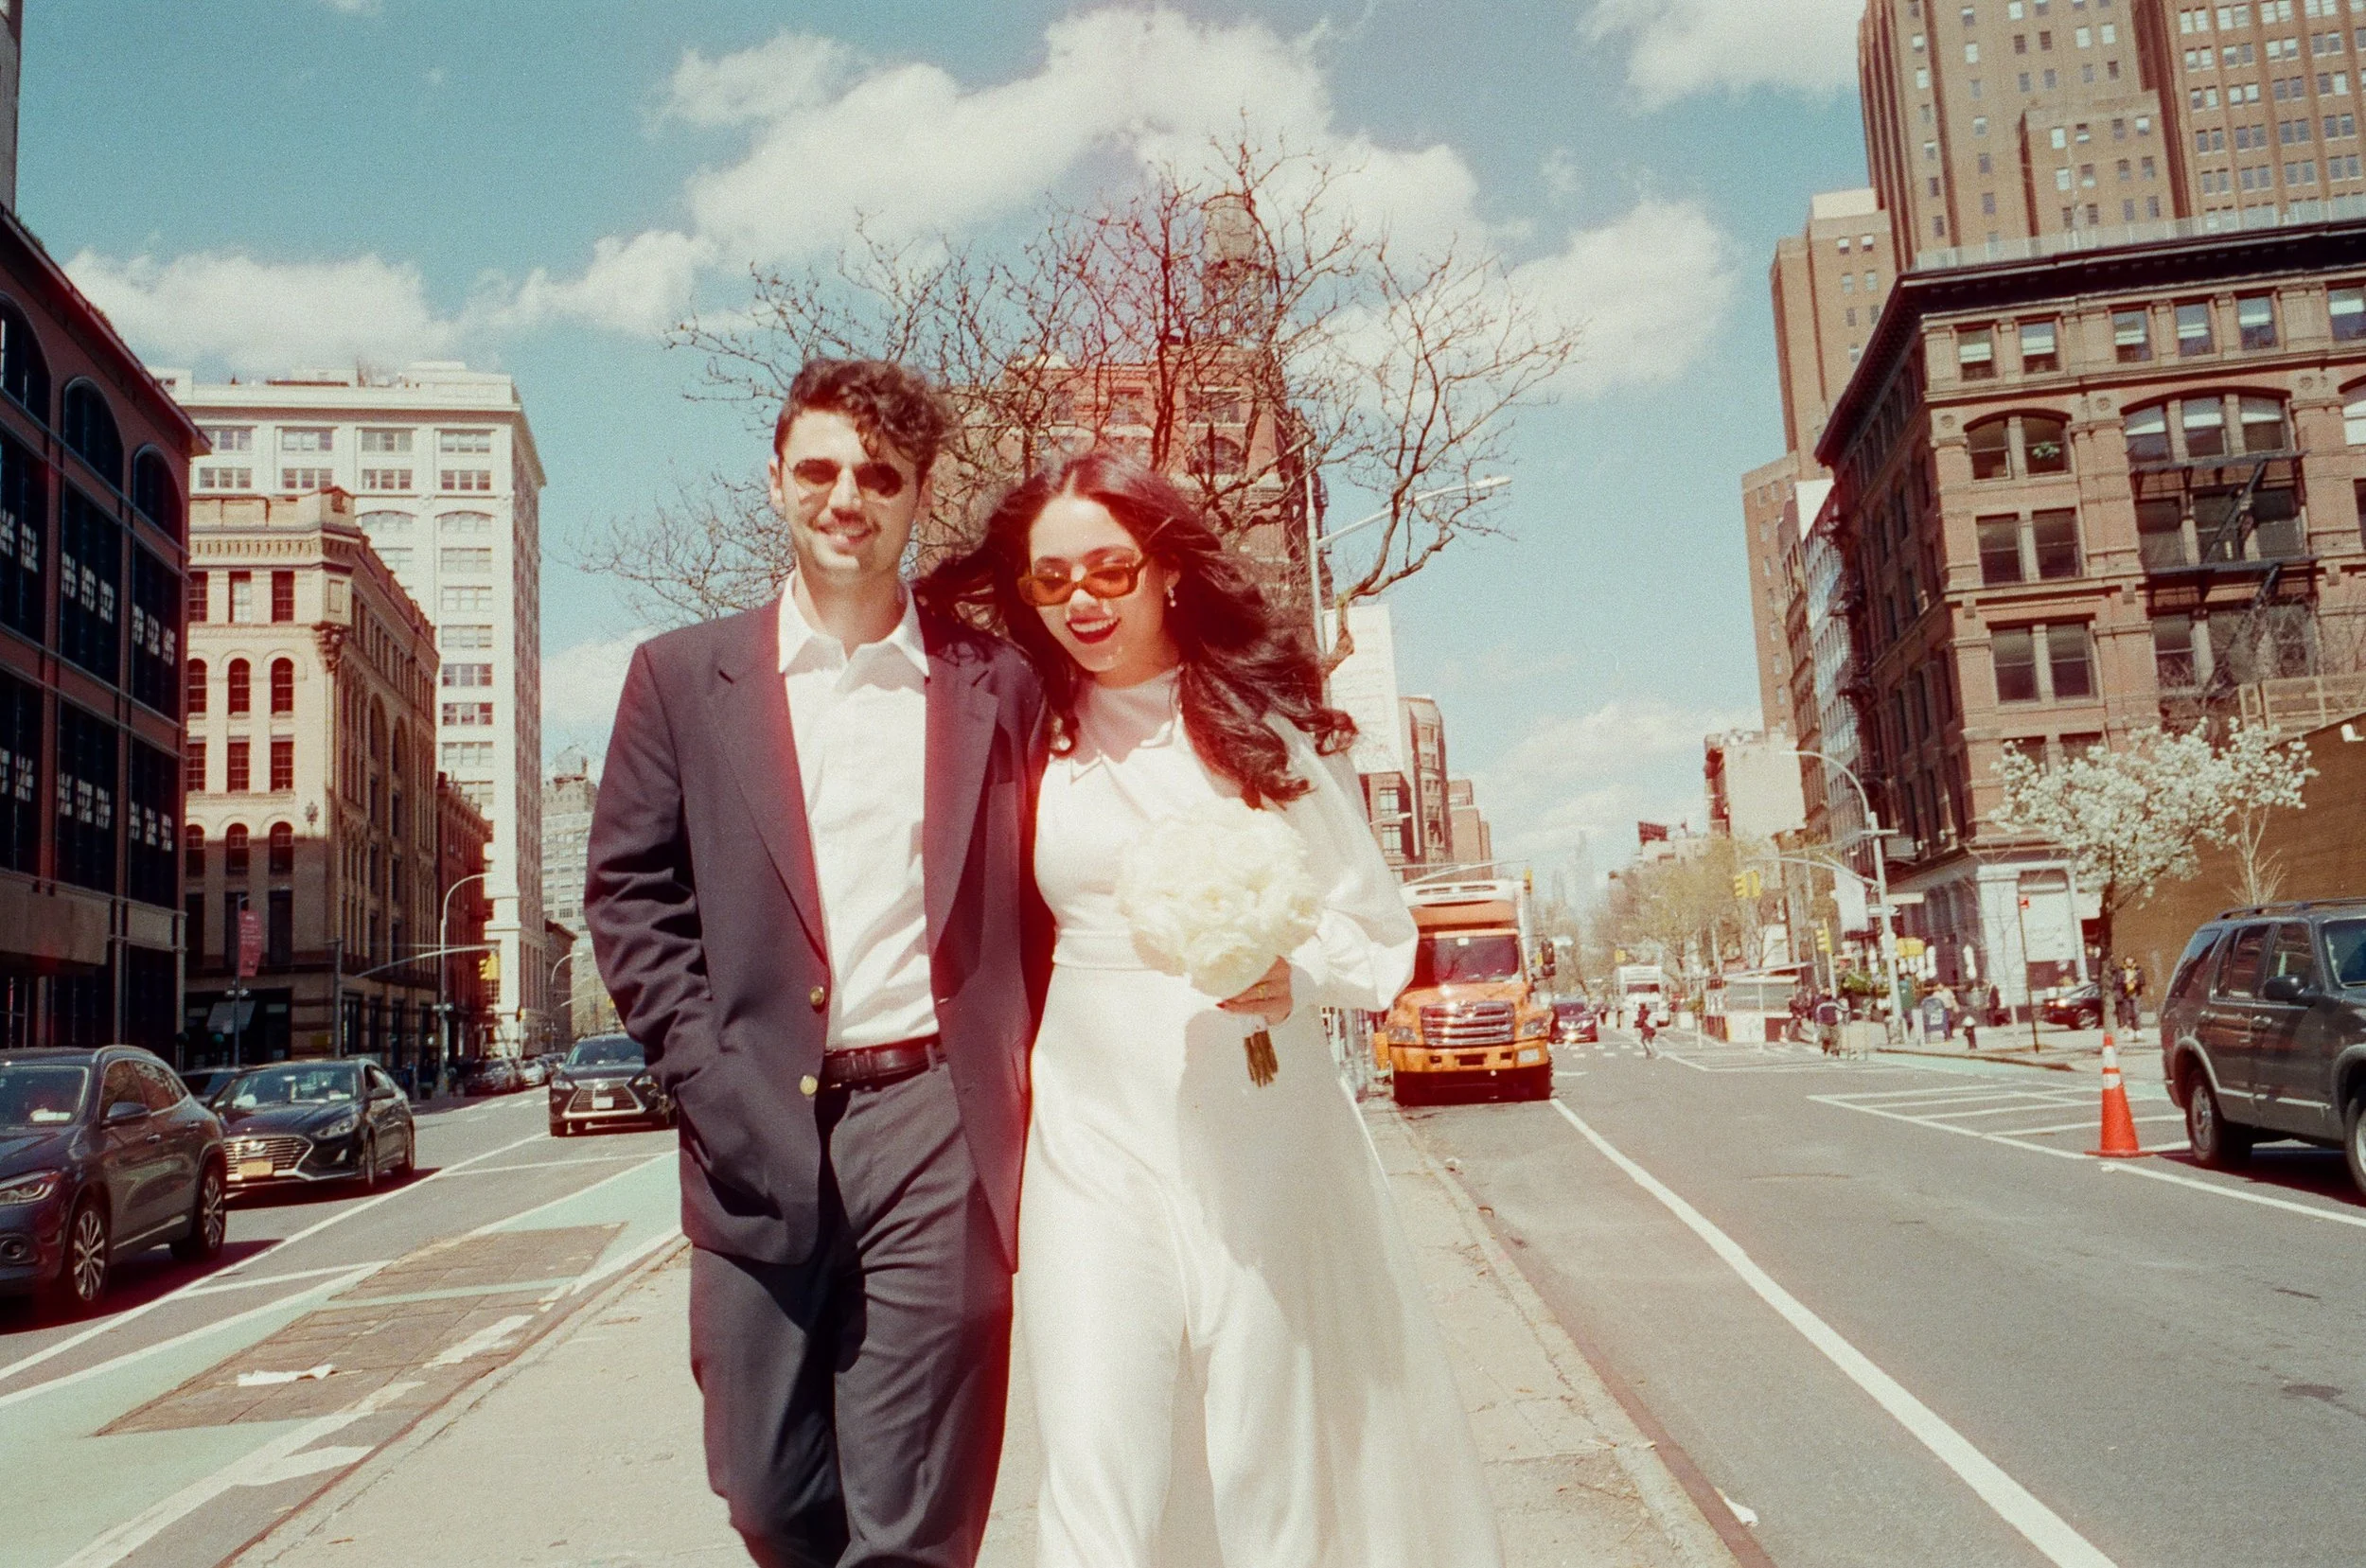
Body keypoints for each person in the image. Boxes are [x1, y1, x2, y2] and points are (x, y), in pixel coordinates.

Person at [922, 450, 1502, 1568]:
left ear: (1168, 569)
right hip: (1088, 1134)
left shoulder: (1259, 734)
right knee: (1093, 1442)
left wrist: (1295, 970)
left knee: (1260, 1441)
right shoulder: (1027, 732)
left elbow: (1376, 933)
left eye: (1109, 568)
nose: (1083, 600)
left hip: (1255, 1125)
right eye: (1051, 580)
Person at [585, 359, 1050, 1568]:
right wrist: (707, 1073)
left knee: (913, 1519)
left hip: (936, 1121)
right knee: (768, 1491)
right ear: (777, 481)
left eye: (880, 477)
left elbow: (1056, 888)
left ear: (919, 496)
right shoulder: (680, 678)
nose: (849, 498)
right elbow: (629, 894)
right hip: (753, 1121)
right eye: (821, 470)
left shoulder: (995, 683)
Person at [2111, 956, 2145, 1033]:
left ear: (2133, 961)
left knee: (2136, 1012)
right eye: (2127, 961)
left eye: (2130, 961)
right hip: (2125, 993)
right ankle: (2130, 1030)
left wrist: (2137, 982)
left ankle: (2138, 1030)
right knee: (2128, 1013)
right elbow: (2117, 982)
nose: (2129, 963)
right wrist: (2124, 982)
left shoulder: (2138, 970)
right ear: (2125, 962)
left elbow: (2143, 981)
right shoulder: (2121, 970)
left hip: (2136, 993)